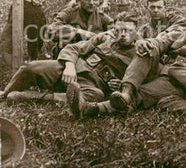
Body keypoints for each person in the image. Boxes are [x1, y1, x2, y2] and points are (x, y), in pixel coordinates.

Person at [72, 17, 186, 118]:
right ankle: (96, 107)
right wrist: (148, 42)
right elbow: (165, 40)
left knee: (174, 70)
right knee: (149, 91)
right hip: (183, 83)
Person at [0, 13, 138, 107]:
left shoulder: (140, 53)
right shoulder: (105, 38)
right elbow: (74, 48)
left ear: (136, 30)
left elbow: (141, 81)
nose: (123, 34)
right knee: (30, 67)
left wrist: (123, 85)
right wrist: (70, 66)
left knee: (95, 96)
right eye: (119, 30)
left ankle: (30, 97)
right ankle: (5, 94)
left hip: (92, 84)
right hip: (70, 70)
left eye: (128, 30)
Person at [108, 2, 186, 115]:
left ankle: (101, 107)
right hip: (161, 68)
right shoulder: (180, 32)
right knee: (147, 49)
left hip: (179, 79)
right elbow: (161, 41)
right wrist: (145, 42)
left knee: (144, 92)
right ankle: (127, 91)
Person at [47, 0, 114, 54]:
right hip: (68, 55)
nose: (91, 3)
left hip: (91, 58)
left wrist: (99, 38)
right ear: (79, 0)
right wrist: (78, 32)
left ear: (99, 1)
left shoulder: (102, 17)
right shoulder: (69, 13)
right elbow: (52, 30)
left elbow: (116, 31)